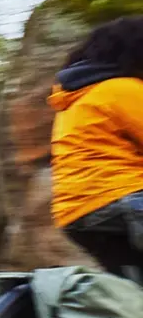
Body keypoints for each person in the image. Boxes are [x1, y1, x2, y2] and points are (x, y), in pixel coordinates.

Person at [49, 16, 143, 283]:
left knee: (135, 299)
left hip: (77, 216)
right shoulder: (121, 90)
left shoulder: (79, 98)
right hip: (123, 201)